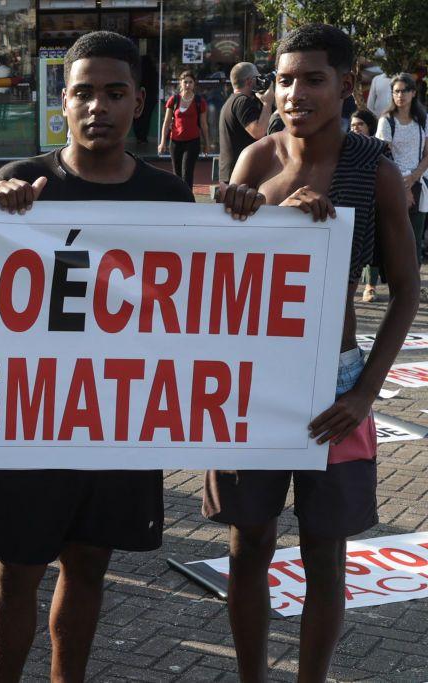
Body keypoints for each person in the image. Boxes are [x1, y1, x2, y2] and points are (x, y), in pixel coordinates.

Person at [0, 31, 194, 682]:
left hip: (118, 416)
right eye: (83, 92)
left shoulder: (170, 198)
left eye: (114, 92)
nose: (97, 105)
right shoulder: (20, 183)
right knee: (16, 571)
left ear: (139, 102)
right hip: (32, 414)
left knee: (89, 564)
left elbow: (205, 303)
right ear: (62, 101)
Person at [207, 24, 418, 682]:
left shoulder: (372, 170)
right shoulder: (256, 162)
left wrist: (363, 394)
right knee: (249, 547)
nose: (295, 92)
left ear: (347, 85)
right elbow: (216, 283)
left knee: (325, 554)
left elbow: (408, 292)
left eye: (313, 78)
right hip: (254, 382)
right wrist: (249, 216)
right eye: (285, 78)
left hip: (335, 385)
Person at [375, 73, 428, 301]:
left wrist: (415, 177)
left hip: (419, 184)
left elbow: (427, 153)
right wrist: (402, 186)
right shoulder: (386, 120)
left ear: (413, 93)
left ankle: (412, 287)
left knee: (414, 237)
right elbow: (383, 154)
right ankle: (373, 286)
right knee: (386, 235)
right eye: (396, 91)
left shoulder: (422, 119)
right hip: (392, 183)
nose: (400, 95)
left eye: (404, 91)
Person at [218, 61, 276, 185]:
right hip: (239, 176)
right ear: (249, 81)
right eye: (257, 78)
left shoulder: (231, 101)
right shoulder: (242, 101)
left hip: (232, 174)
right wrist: (267, 104)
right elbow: (259, 132)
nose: (260, 80)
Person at [349, 110, 382, 301]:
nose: (355, 129)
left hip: (371, 208)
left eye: (360, 124)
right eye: (353, 125)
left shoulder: (378, 149)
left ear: (370, 126)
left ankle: (370, 286)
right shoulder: (343, 149)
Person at [158, 69, 211, 189]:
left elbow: (204, 124)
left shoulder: (199, 101)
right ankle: (178, 201)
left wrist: (207, 144)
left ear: (194, 84)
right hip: (175, 142)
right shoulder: (174, 100)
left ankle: (188, 200)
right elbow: (166, 122)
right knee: (177, 175)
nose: (188, 85)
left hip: (193, 142)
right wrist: (162, 143)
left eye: (190, 82)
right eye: (185, 82)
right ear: (180, 83)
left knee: (187, 173)